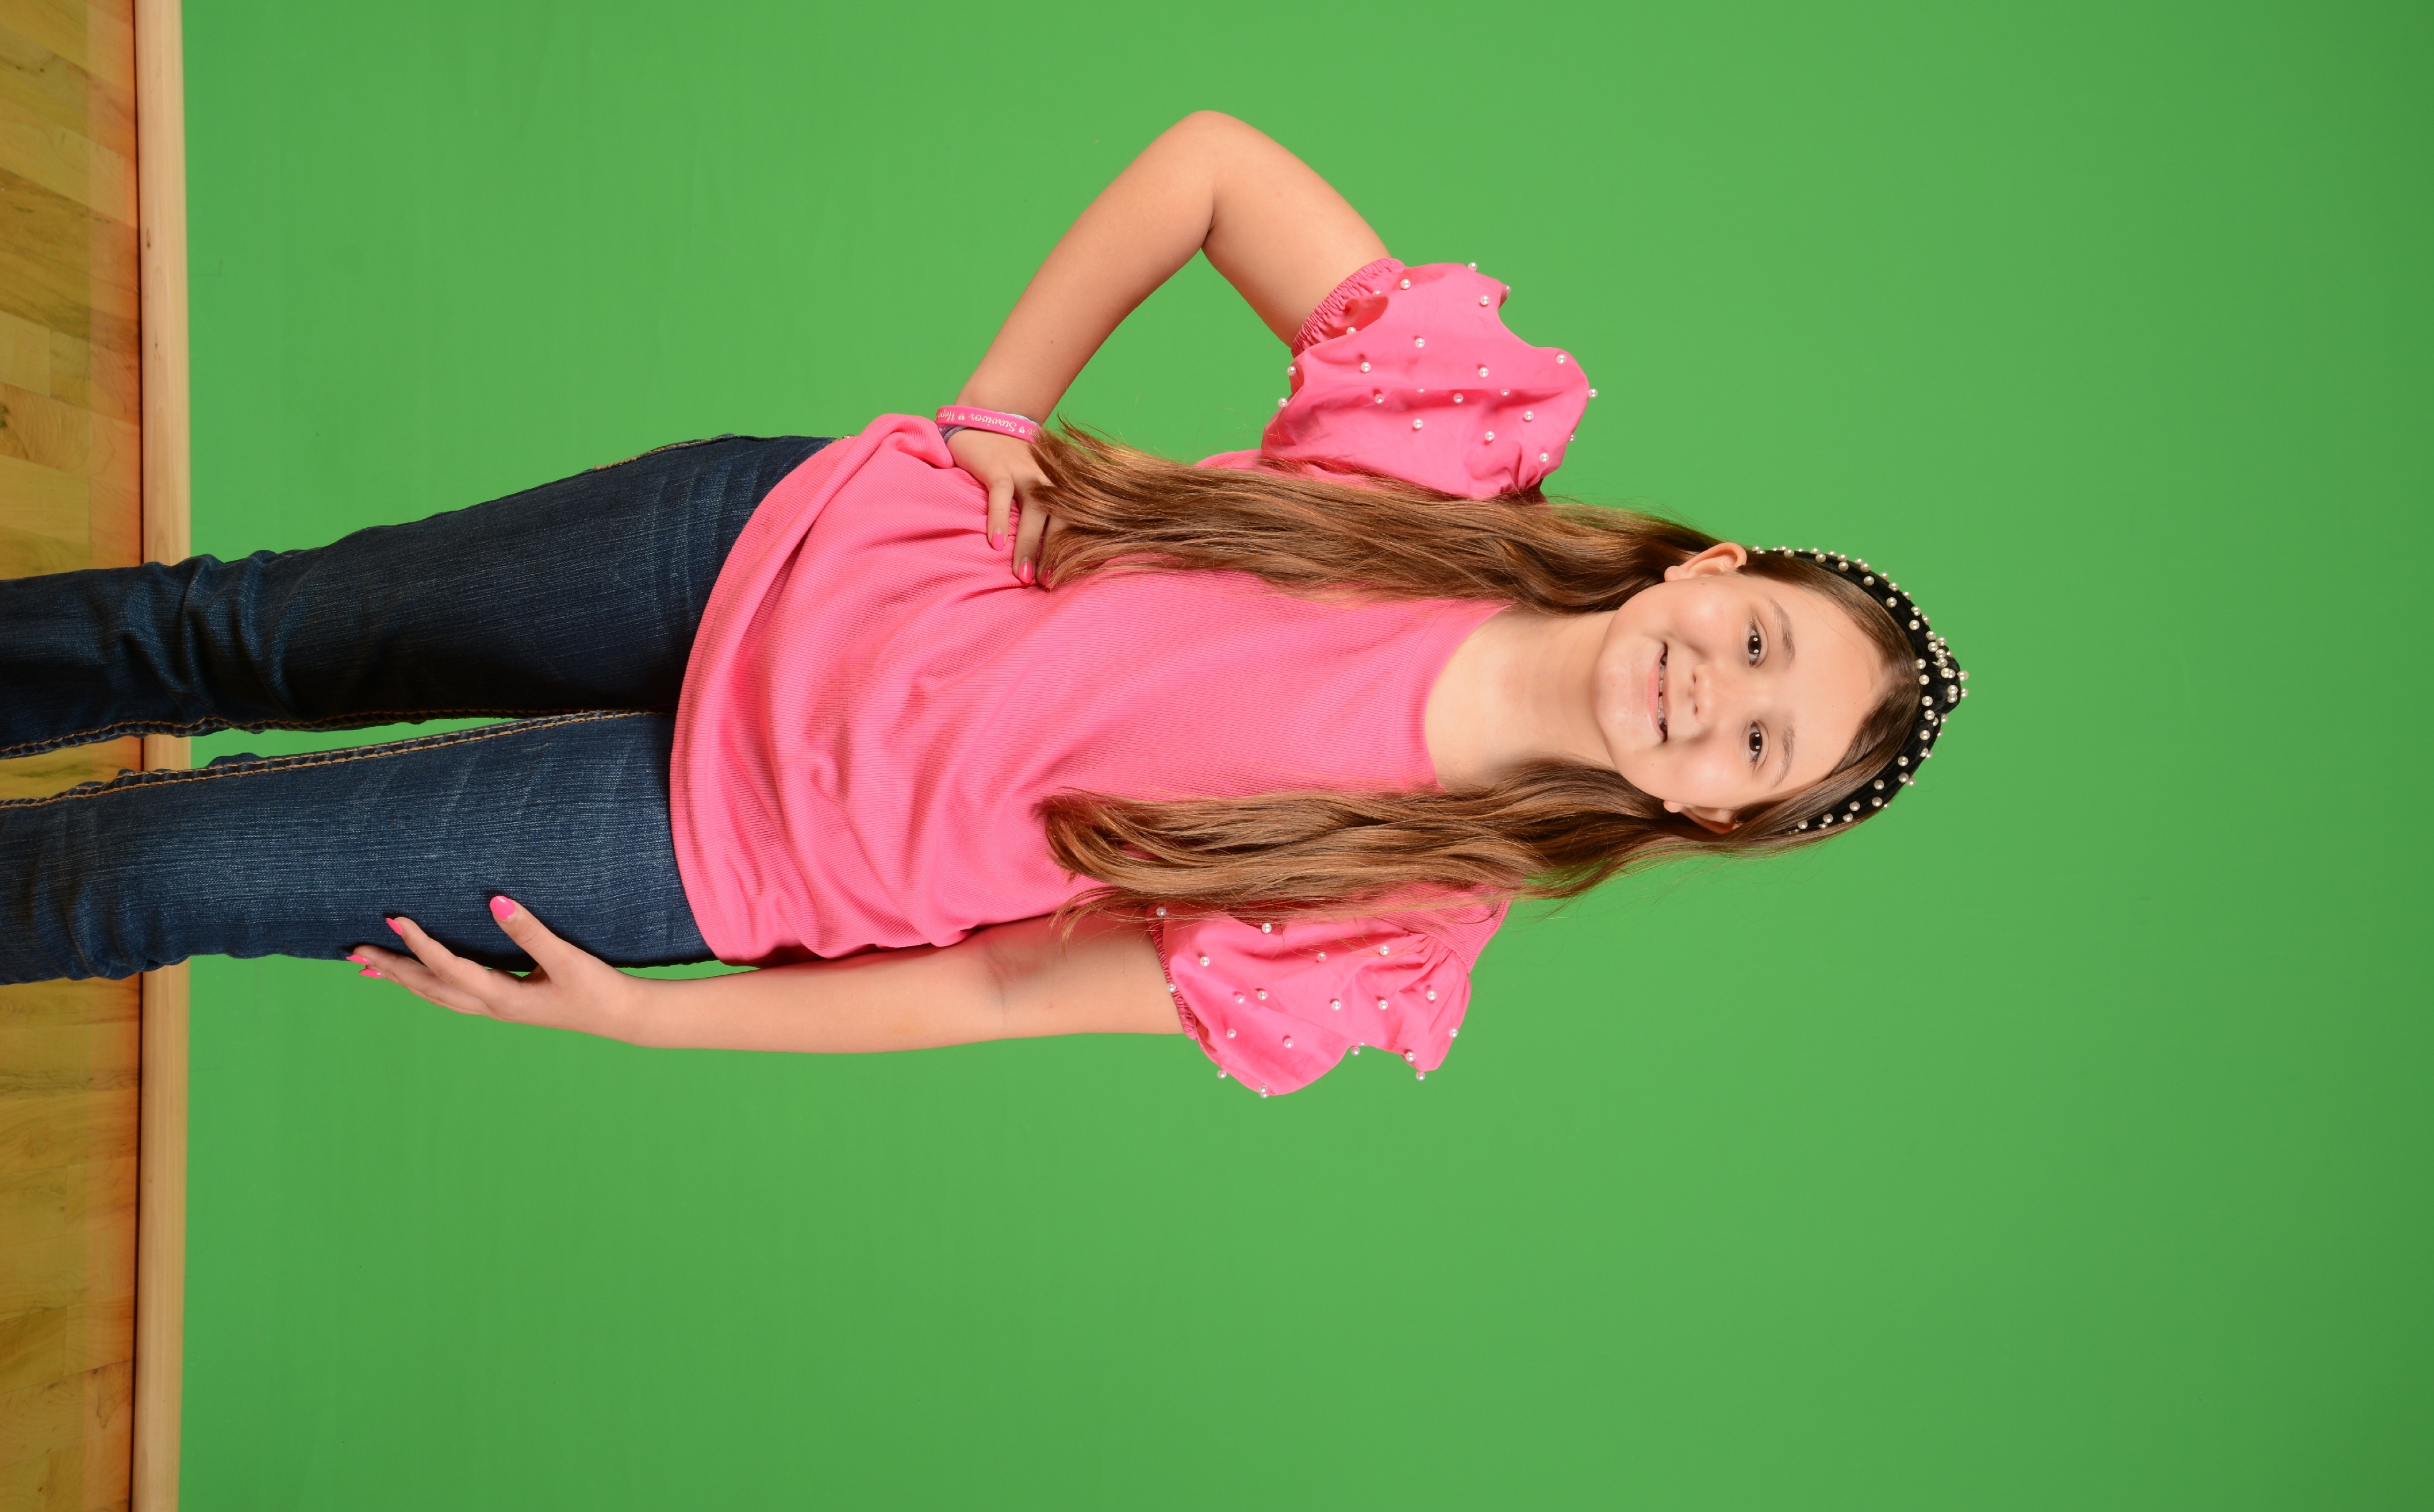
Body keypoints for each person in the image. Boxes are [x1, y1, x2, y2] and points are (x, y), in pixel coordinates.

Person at [0, 112, 1966, 1097]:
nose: (1709, 694)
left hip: (713, 847)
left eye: (1755, 745)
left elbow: (1007, 988)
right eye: (1758, 642)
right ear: (1715, 569)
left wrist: (658, 1027)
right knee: (229, 631)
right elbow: (1209, 165)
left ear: (1713, 811)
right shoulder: (1455, 449)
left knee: (144, 877)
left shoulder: (1394, 926)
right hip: (760, 547)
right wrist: (995, 414)